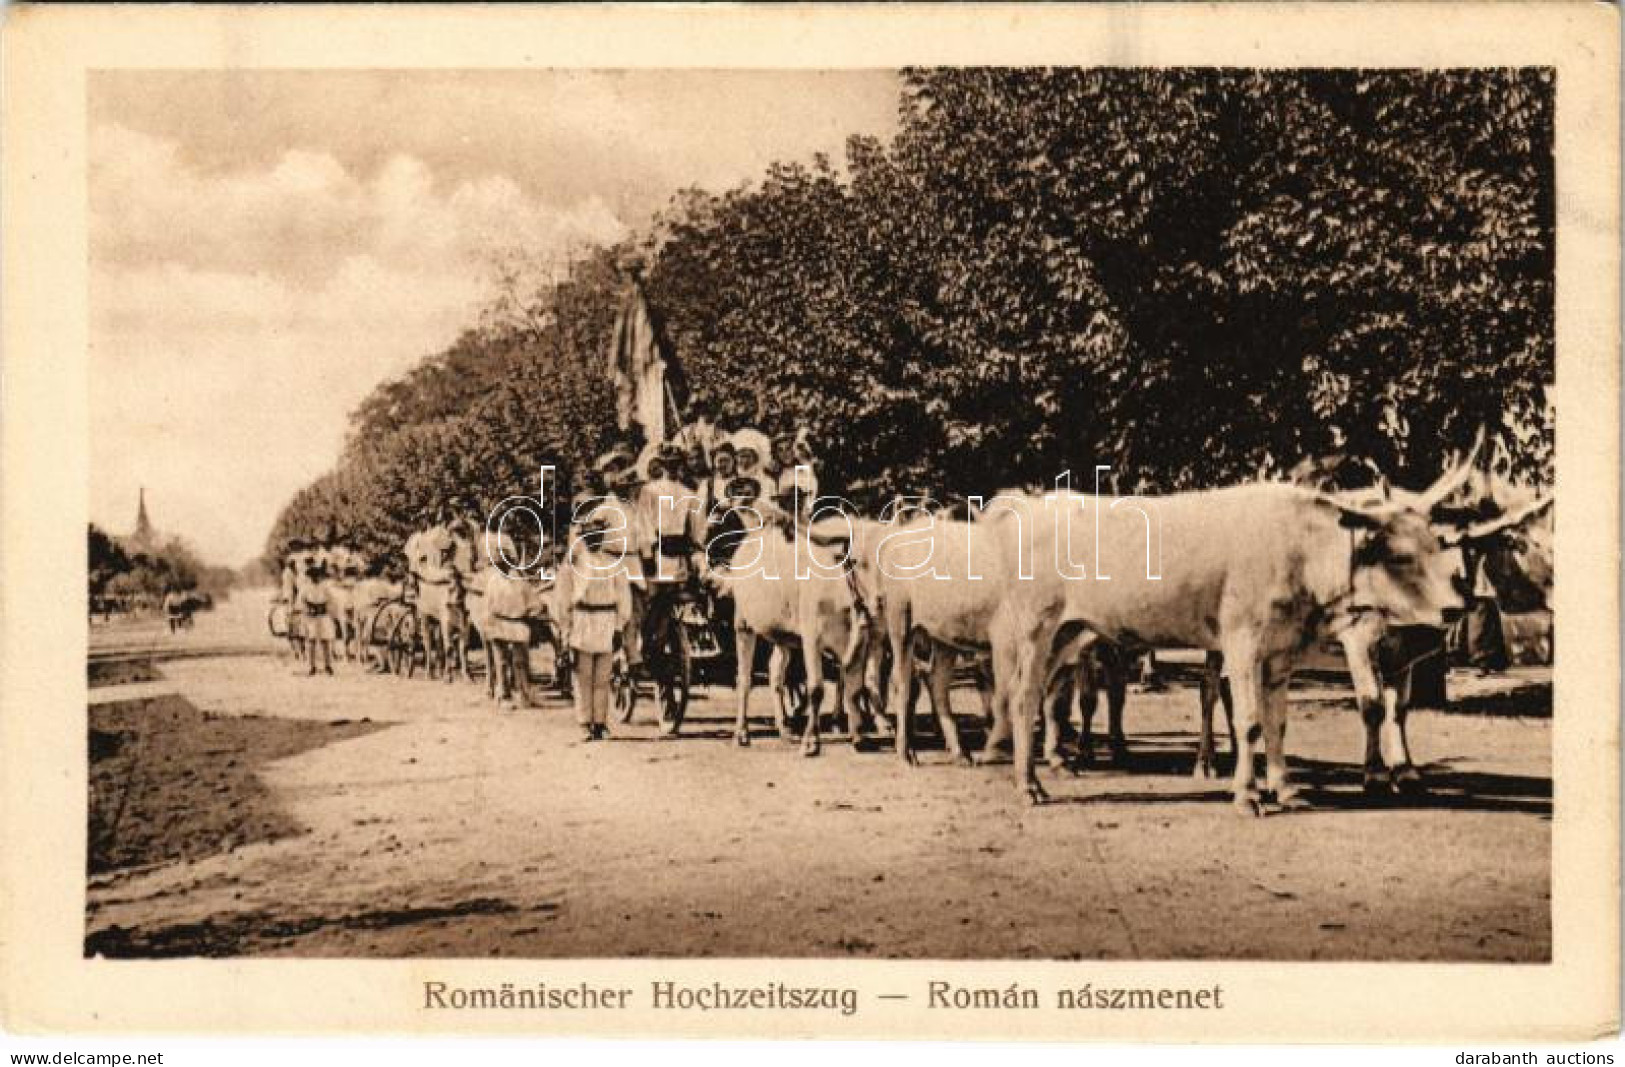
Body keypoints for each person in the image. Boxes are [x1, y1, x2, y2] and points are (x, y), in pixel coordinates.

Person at [558, 516, 633, 741]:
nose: (595, 540)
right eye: (590, 536)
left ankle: (600, 723)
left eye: (599, 536)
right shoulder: (573, 564)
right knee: (583, 676)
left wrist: (619, 626)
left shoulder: (614, 563)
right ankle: (584, 723)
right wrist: (566, 630)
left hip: (606, 620)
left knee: (603, 676)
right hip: (582, 620)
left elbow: (623, 596)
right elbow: (563, 599)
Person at [483, 552, 537, 709]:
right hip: (498, 623)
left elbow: (533, 601)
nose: (501, 567)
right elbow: (487, 606)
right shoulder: (492, 582)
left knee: (520, 661)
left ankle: (522, 694)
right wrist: (488, 625)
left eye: (504, 564)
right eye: (498, 565)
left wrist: (531, 612)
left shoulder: (520, 581)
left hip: (517, 624)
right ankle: (503, 695)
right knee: (501, 662)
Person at [299, 558, 336, 676]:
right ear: (309, 577)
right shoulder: (305, 588)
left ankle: (328, 665)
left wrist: (328, 610)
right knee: (311, 641)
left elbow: (331, 601)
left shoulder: (325, 587)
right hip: (311, 617)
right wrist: (307, 609)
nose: (315, 578)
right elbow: (301, 601)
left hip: (323, 615)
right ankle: (312, 666)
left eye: (317, 575)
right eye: (313, 576)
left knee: (325, 641)